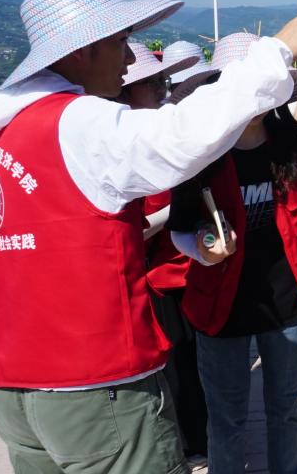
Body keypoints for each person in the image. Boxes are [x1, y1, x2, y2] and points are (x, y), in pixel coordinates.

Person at [0, 0, 297, 474]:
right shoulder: (77, 122)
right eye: (121, 42)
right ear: (85, 49)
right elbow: (179, 136)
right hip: (95, 385)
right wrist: (276, 50)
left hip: (15, 386)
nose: (128, 61)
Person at [166, 32, 297, 474]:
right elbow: (179, 231)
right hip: (220, 305)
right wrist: (204, 250)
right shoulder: (201, 152)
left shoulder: (295, 145)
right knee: (226, 418)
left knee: (286, 408)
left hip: (287, 299)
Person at [115, 43, 210, 468]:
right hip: (154, 278)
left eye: (162, 80)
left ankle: (199, 437)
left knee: (190, 363)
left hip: (186, 268)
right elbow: (130, 226)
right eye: (151, 82)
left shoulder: (162, 136)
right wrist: (179, 212)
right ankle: (189, 443)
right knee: (175, 367)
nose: (161, 89)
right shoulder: (120, 146)